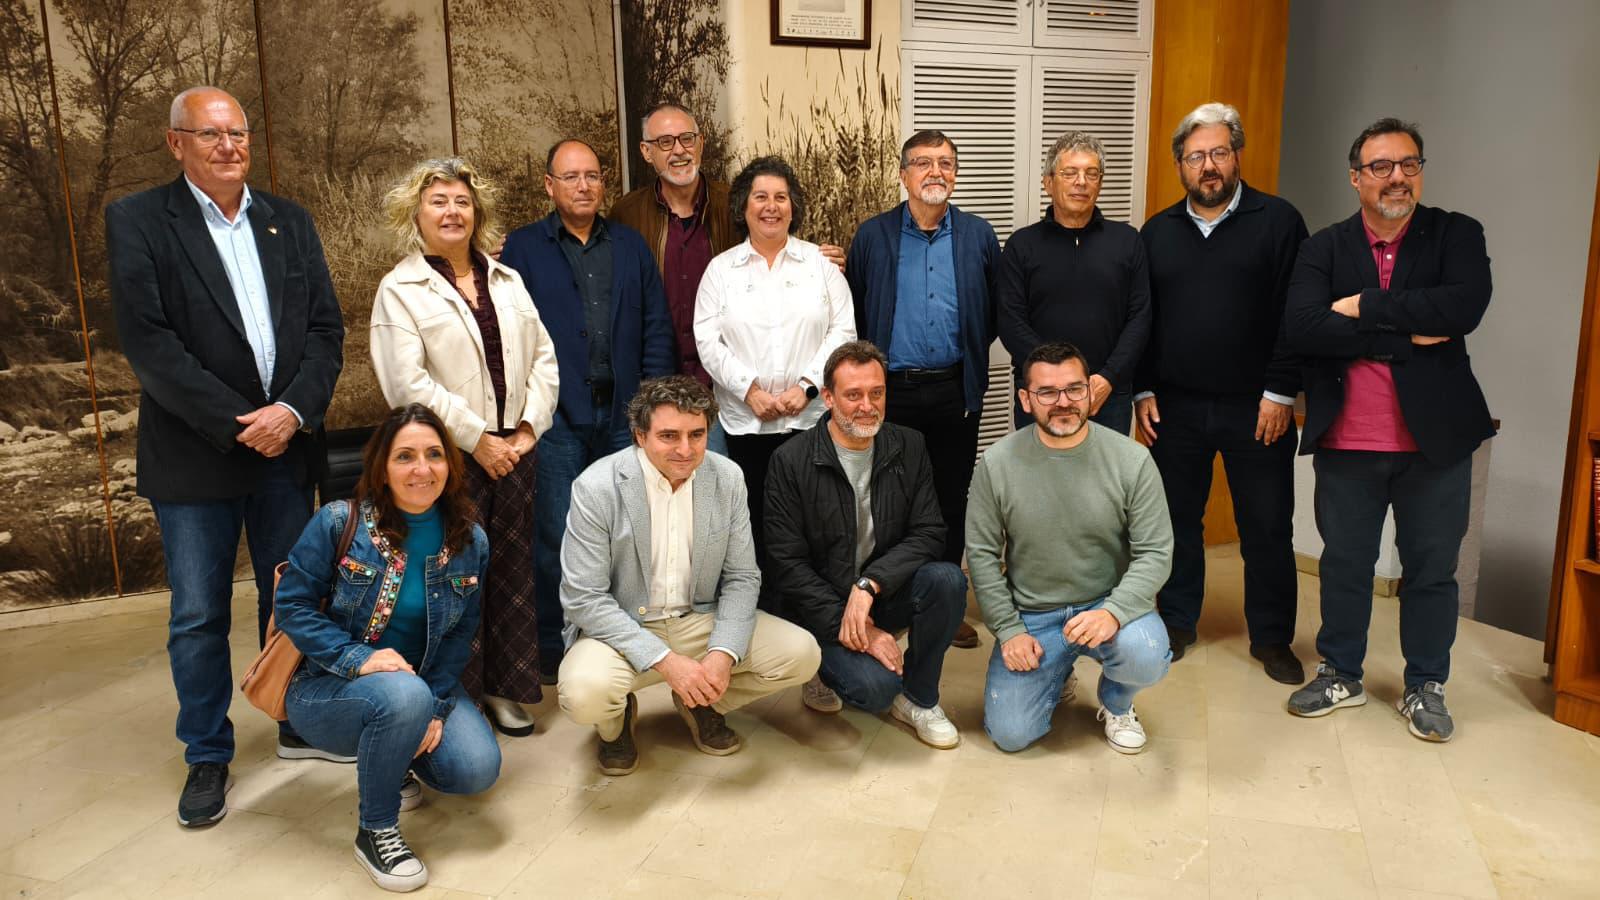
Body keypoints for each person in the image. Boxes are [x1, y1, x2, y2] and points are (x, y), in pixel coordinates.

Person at [105, 85, 345, 828]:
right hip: (195, 455)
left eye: (237, 132)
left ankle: (297, 719)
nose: (228, 145)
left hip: (284, 452)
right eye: (209, 134)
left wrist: (292, 413)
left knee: (292, 600)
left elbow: (326, 331)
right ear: (175, 142)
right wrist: (242, 424)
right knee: (199, 614)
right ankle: (207, 753)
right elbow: (150, 345)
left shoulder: (288, 221)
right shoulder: (139, 220)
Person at [1282, 118, 1493, 742]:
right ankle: (1340, 673)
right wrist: (1406, 334)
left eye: (1408, 164)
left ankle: (1425, 683)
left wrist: (1364, 306)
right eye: (1380, 167)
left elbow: (1462, 309)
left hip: (1436, 443)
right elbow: (1304, 327)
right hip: (1348, 439)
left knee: (1432, 570)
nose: (1396, 177)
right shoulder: (1324, 247)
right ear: (1356, 178)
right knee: (1345, 564)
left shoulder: (1456, 234)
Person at [370, 157, 560, 737]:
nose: (452, 211)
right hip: (447, 459)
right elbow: (407, 384)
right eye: (438, 202)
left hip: (516, 453)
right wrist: (479, 441)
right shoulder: (400, 289)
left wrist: (527, 429)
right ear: (416, 214)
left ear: (477, 211)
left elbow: (544, 358)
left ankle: (505, 688)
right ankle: (456, 694)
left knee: (512, 574)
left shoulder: (507, 280)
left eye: (461, 201)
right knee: (453, 578)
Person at [276, 405, 499, 892]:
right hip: (326, 688)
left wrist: (434, 708)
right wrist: (360, 659)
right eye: (405, 456)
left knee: (476, 769)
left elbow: (461, 634)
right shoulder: (339, 522)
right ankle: (375, 830)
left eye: (434, 454)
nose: (422, 469)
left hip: (422, 686)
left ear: (450, 465)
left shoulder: (471, 540)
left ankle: (393, 753)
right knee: (403, 695)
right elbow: (292, 607)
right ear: (381, 467)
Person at [556, 376, 822, 774]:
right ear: (640, 436)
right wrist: (665, 661)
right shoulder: (596, 487)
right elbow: (584, 598)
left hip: (698, 618)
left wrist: (722, 654)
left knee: (802, 654)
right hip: (623, 625)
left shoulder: (727, 477)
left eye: (696, 435)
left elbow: (742, 577)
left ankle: (702, 700)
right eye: (669, 436)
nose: (685, 449)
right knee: (583, 694)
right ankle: (615, 722)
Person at [1135, 102, 1309, 682]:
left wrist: (1281, 391)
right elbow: (1142, 318)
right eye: (1195, 157)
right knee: (1176, 522)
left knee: (1267, 525)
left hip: (1257, 408)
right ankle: (1177, 623)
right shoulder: (1157, 232)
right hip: (1175, 407)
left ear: (1236, 156)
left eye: (1218, 153)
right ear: (1180, 166)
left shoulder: (1279, 222)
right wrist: (1141, 388)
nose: (1207, 166)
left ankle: (1272, 638)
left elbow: (1296, 314)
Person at [501, 139, 676, 684]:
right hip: (555, 420)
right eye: (571, 176)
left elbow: (655, 327)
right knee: (556, 536)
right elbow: (510, 335)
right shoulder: (522, 249)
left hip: (624, 419)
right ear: (549, 185)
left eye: (593, 176)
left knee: (625, 536)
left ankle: (621, 643)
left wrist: (650, 407)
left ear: (604, 184)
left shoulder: (629, 246)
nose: (583, 186)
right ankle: (555, 648)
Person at [968, 342, 1173, 754]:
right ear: (1025, 399)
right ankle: (1057, 672)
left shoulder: (1131, 460)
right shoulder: (997, 464)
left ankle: (1117, 702)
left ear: (1090, 392)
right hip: (1033, 615)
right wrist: (1009, 630)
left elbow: (1155, 552)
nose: (1063, 402)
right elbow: (981, 556)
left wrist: (1113, 612)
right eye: (1047, 392)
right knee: (1011, 735)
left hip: (1104, 603)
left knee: (1146, 654)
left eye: (1074, 389)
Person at [764, 341, 966, 747]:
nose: (867, 406)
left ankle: (920, 699)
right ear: (828, 398)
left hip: (878, 593)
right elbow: (787, 564)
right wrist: (857, 626)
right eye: (853, 395)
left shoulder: (909, 444)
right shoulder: (790, 460)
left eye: (877, 393)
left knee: (947, 580)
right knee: (875, 691)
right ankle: (819, 668)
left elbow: (929, 531)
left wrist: (869, 584)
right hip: (820, 607)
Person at [846, 129, 1000, 650]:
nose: (936, 172)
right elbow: (858, 309)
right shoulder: (874, 235)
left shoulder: (979, 235)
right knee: (889, 499)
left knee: (951, 497)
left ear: (955, 173)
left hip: (956, 388)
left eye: (946, 163)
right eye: (923, 162)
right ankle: (889, 603)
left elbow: (989, 313)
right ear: (903, 174)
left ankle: (945, 606)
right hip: (891, 392)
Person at [694, 155, 856, 594]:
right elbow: (707, 340)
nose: (771, 206)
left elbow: (843, 331)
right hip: (746, 425)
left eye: (781, 197)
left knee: (815, 524)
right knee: (756, 527)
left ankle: (816, 615)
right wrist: (750, 391)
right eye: (760, 197)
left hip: (810, 421)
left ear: (793, 206)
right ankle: (764, 613)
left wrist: (807, 387)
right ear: (743, 206)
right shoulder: (720, 271)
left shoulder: (820, 265)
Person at [997, 131, 1151, 436]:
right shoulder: (1021, 246)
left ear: (1100, 184)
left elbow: (1140, 317)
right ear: (1048, 182)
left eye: (1091, 173)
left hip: (1107, 394)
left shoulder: (1127, 241)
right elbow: (1010, 322)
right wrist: (1060, 383)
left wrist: (1108, 377)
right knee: (1040, 469)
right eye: (1070, 173)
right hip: (1041, 393)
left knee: (1107, 470)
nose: (1081, 182)